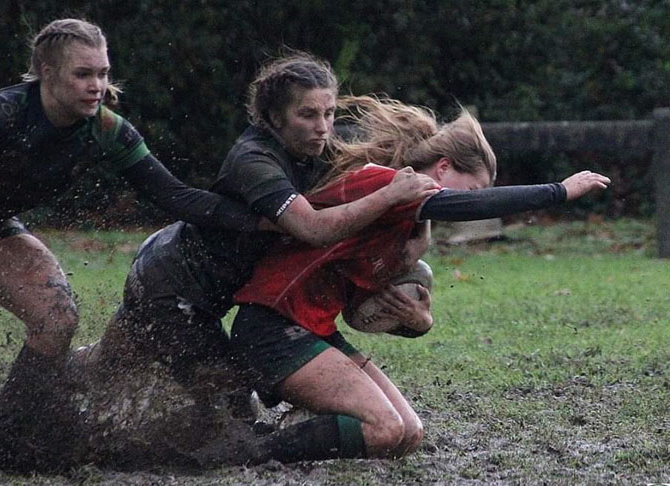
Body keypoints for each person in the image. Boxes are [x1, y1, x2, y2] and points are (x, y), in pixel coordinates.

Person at [0, 18, 276, 420]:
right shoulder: (7, 109)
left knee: (56, 317)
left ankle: (7, 427)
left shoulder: (108, 131)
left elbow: (176, 197)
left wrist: (268, 219)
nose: (96, 85)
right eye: (83, 74)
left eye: (103, 73)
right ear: (48, 73)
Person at [228, 95, 610, 464]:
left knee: (408, 434)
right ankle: (247, 452)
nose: (474, 201)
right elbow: (468, 207)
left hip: (314, 330)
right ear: (443, 168)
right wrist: (558, 191)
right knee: (385, 429)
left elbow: (359, 313)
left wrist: (416, 323)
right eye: (473, 188)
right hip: (272, 326)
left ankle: (299, 426)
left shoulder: (402, 231)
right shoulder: (384, 183)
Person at [87, 53, 437, 384]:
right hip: (172, 284)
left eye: (329, 113)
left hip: (187, 277)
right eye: (308, 115)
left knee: (107, 366)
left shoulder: (316, 144)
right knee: (226, 402)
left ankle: (63, 380)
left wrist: (422, 228)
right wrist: (391, 195)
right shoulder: (254, 161)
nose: (322, 127)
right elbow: (314, 229)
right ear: (274, 117)